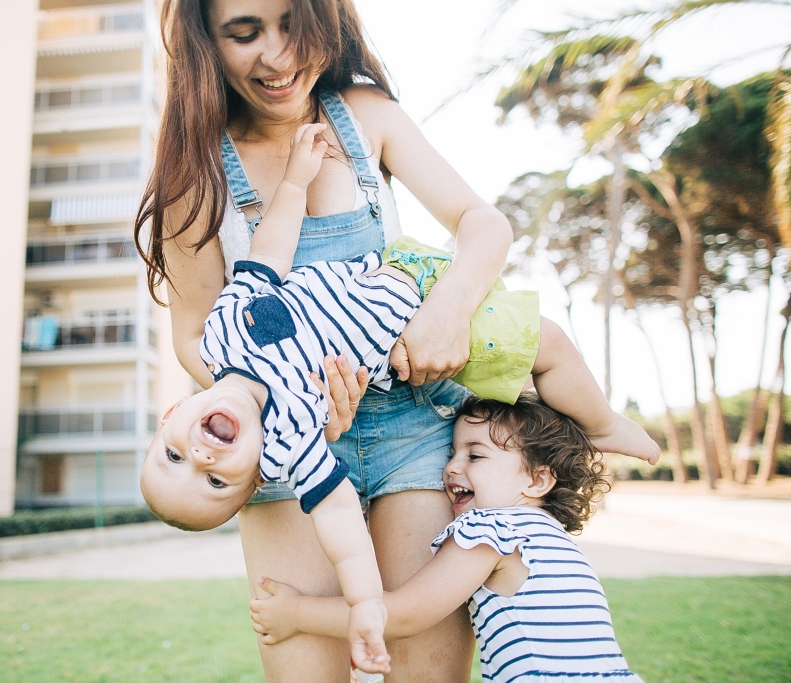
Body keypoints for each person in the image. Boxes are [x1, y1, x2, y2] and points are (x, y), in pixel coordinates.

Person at [134, 0, 605, 679]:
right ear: (206, 41)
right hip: (284, 449)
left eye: (292, 24)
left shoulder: (366, 116)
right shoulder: (195, 176)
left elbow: (484, 223)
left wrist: (447, 311)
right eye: (244, 32)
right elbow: (193, 335)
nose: (277, 54)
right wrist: (283, 398)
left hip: (413, 425)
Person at [249, 393, 647, 683]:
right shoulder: (550, 537)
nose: (451, 468)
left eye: (475, 455)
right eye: (451, 452)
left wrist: (295, 613)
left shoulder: (491, 531)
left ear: (537, 479)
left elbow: (404, 614)